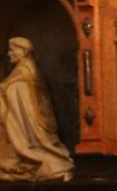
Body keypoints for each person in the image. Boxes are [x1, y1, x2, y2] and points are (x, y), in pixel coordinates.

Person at [0, 36, 74, 182]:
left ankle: (38, 159)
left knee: (35, 146)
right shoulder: (23, 69)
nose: (9, 53)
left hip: (28, 124)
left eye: (12, 50)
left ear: (23, 51)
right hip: (24, 122)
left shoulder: (25, 71)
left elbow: (13, 90)